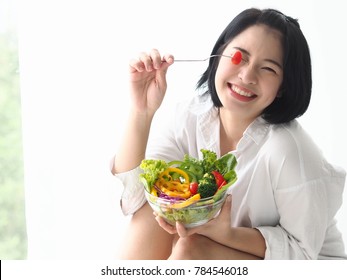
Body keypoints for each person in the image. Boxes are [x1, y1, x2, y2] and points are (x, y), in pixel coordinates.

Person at [111, 8, 346, 259]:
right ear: (218, 55)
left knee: (190, 249)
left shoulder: (288, 149)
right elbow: (136, 198)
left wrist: (225, 234)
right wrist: (142, 112)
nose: (247, 76)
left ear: (282, 88)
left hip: (306, 265)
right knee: (155, 210)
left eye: (268, 69)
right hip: (223, 252)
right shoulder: (190, 118)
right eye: (239, 57)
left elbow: (302, 252)